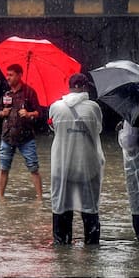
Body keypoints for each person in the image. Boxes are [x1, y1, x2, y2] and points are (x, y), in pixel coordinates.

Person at [48, 73, 104, 245]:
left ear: (69, 86)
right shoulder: (94, 108)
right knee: (89, 210)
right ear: (85, 86)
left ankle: (63, 252)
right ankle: (91, 253)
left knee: (62, 208)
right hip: (87, 166)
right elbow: (99, 129)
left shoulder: (55, 107)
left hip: (62, 166)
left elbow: (52, 127)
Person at [0, 64, 43, 199]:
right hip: (7, 136)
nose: (8, 77)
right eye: (7, 75)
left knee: (33, 168)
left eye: (11, 75)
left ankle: (40, 198)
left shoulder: (30, 92)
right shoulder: (6, 93)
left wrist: (28, 114)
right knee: (4, 168)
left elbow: (39, 113)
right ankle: (1, 198)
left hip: (26, 138)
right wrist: (2, 112)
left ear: (19, 75)